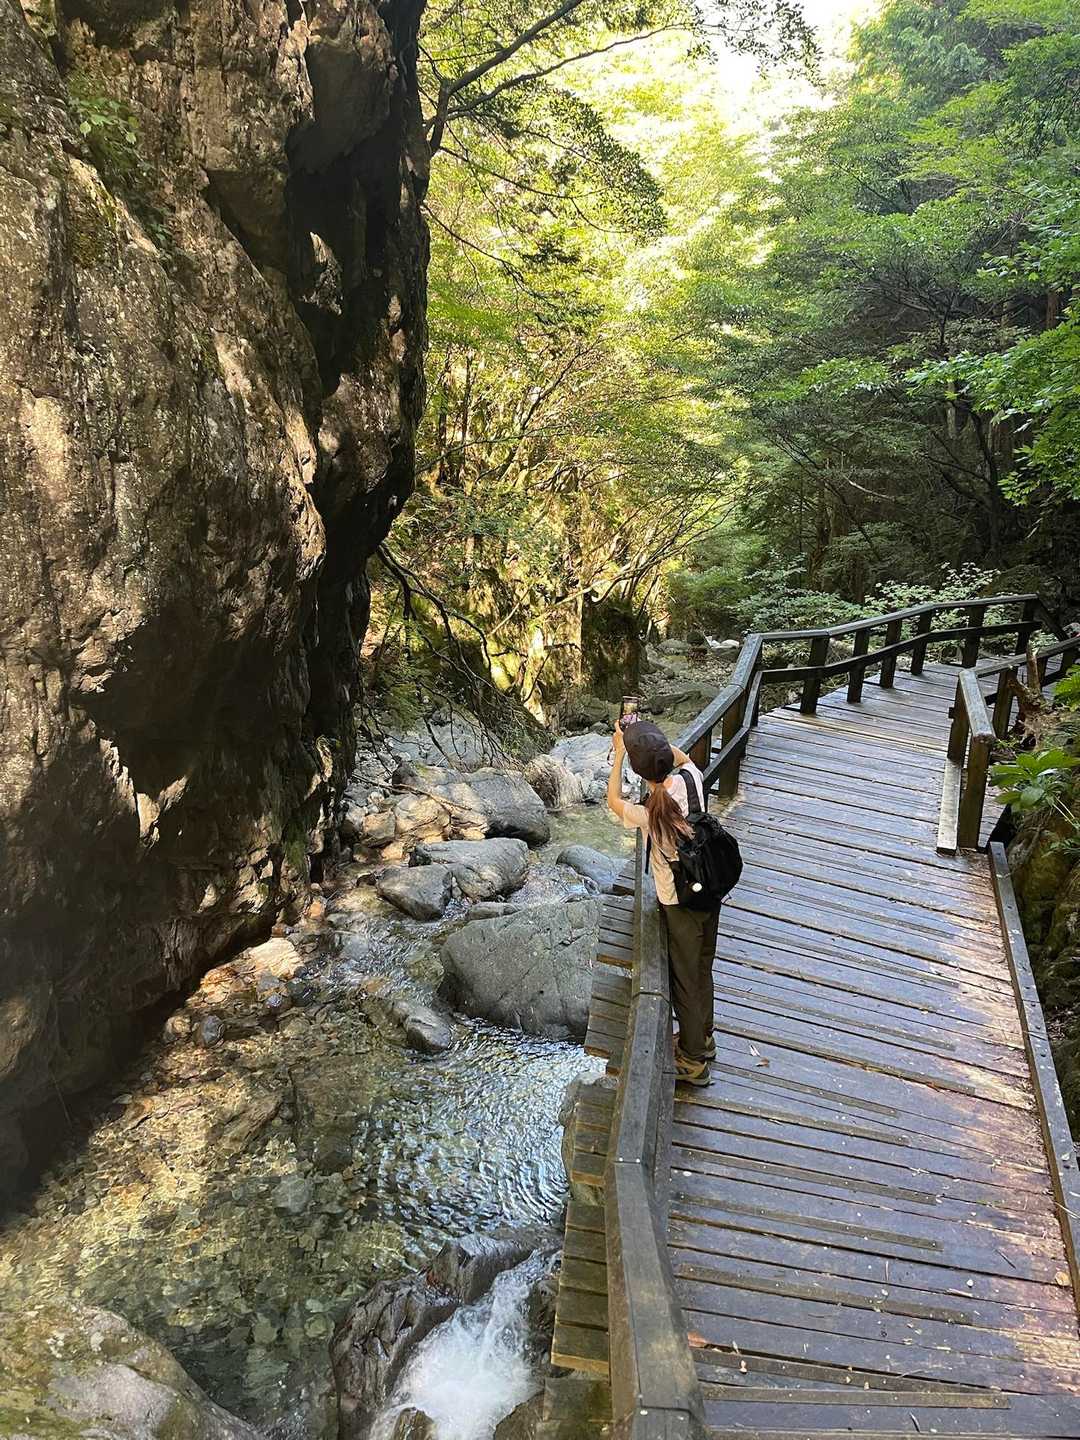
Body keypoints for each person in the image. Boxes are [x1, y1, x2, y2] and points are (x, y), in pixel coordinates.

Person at [606, 719, 718, 1087]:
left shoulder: (650, 812)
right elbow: (680, 759)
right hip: (710, 886)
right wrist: (651, 743)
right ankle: (704, 1038)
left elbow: (613, 801)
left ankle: (693, 1060)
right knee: (701, 966)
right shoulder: (691, 778)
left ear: (642, 773)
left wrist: (620, 753)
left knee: (684, 978)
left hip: (678, 900)